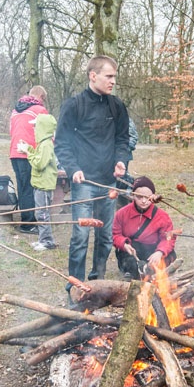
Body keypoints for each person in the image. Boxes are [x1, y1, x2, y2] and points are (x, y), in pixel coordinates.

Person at [55, 55, 130, 287]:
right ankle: (76, 284)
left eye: (114, 77)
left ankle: (97, 282)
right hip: (84, 182)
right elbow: (62, 143)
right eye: (109, 76)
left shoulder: (116, 106)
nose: (113, 81)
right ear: (93, 75)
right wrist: (73, 168)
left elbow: (122, 140)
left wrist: (121, 160)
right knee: (81, 236)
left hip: (108, 182)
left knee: (105, 237)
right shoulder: (74, 105)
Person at [112, 176, 177, 280]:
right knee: (128, 260)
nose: (143, 201)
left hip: (153, 249)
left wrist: (160, 252)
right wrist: (124, 244)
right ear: (132, 196)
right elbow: (115, 234)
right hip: (133, 251)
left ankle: (152, 272)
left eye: (147, 197)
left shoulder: (162, 216)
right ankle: (133, 272)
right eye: (139, 197)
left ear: (153, 196)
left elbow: (168, 238)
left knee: (169, 255)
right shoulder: (122, 213)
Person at [9, 86, 48, 234]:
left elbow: (11, 131)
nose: (43, 102)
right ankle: (28, 223)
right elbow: (47, 133)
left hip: (14, 152)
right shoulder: (39, 110)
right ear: (40, 96)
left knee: (23, 186)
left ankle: (26, 217)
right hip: (28, 153)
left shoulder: (15, 110)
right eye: (43, 99)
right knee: (30, 187)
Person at [19, 114, 59, 251]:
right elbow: (37, 157)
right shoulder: (42, 144)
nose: (34, 129)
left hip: (44, 185)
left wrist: (28, 153)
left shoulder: (47, 145)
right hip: (39, 184)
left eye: (36, 126)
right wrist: (28, 149)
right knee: (39, 213)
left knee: (43, 214)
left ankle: (47, 241)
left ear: (43, 128)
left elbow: (40, 163)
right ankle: (42, 239)